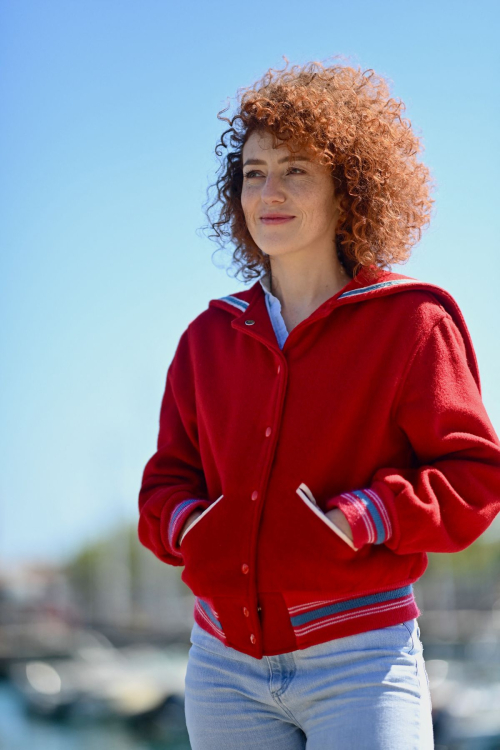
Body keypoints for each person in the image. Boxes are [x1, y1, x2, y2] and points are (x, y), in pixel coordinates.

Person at [137, 58, 500, 749]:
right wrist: (189, 526)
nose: (268, 192)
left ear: (349, 189)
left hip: (361, 661)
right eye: (254, 172)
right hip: (221, 668)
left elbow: (475, 477)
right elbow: (164, 485)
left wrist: (369, 516)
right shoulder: (207, 338)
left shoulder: (413, 322)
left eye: (296, 171)